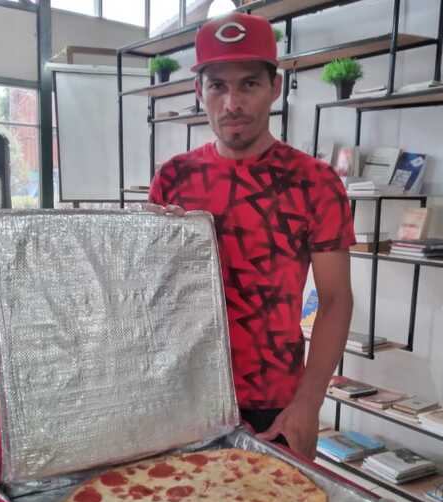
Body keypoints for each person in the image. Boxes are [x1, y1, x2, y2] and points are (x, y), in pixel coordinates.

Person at [147, 13, 354, 459]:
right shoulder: (173, 179)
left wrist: (308, 404)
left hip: (276, 405)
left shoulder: (315, 182)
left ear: (274, 88)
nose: (232, 103)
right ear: (198, 90)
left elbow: (336, 300)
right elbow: (152, 297)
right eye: (217, 86)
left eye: (249, 85)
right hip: (183, 396)